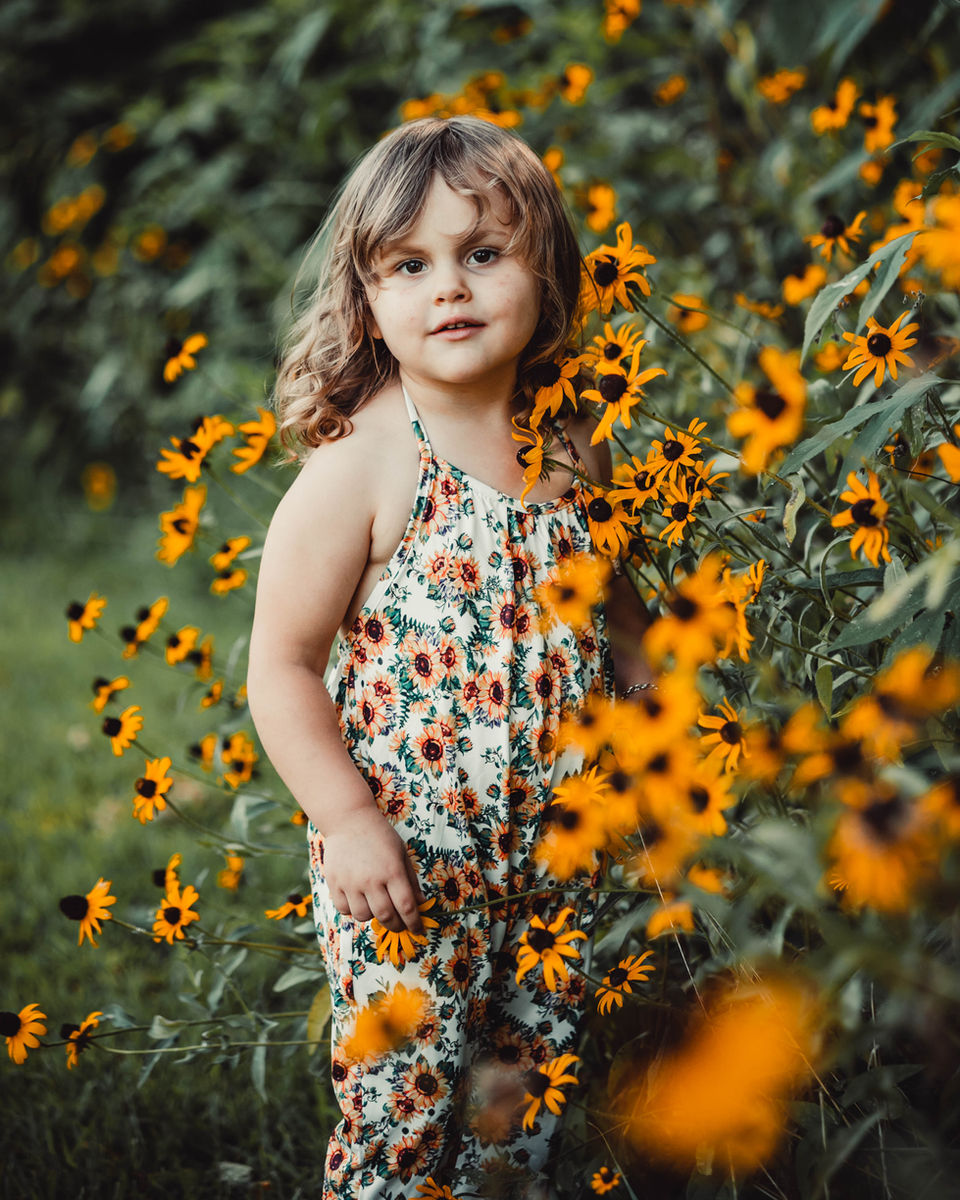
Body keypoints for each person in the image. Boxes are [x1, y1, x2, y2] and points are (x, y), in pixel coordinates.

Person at [246, 115, 651, 1200]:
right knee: (403, 1115)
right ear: (368, 299)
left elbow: (622, 613)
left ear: (546, 270)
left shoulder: (573, 442)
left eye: (483, 253)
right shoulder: (365, 467)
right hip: (407, 879)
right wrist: (347, 820)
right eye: (412, 266)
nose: (451, 290)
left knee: (518, 1113)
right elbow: (280, 666)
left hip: (560, 860)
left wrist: (663, 740)